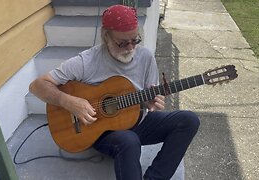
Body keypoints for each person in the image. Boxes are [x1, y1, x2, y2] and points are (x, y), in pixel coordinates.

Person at [29, 5, 200, 180]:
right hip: (102, 132)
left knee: (188, 120)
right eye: (122, 42)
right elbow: (37, 86)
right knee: (129, 141)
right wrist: (70, 102)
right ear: (106, 37)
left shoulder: (146, 57)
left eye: (135, 40)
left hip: (138, 121)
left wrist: (149, 103)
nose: (130, 47)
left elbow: (148, 101)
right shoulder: (86, 61)